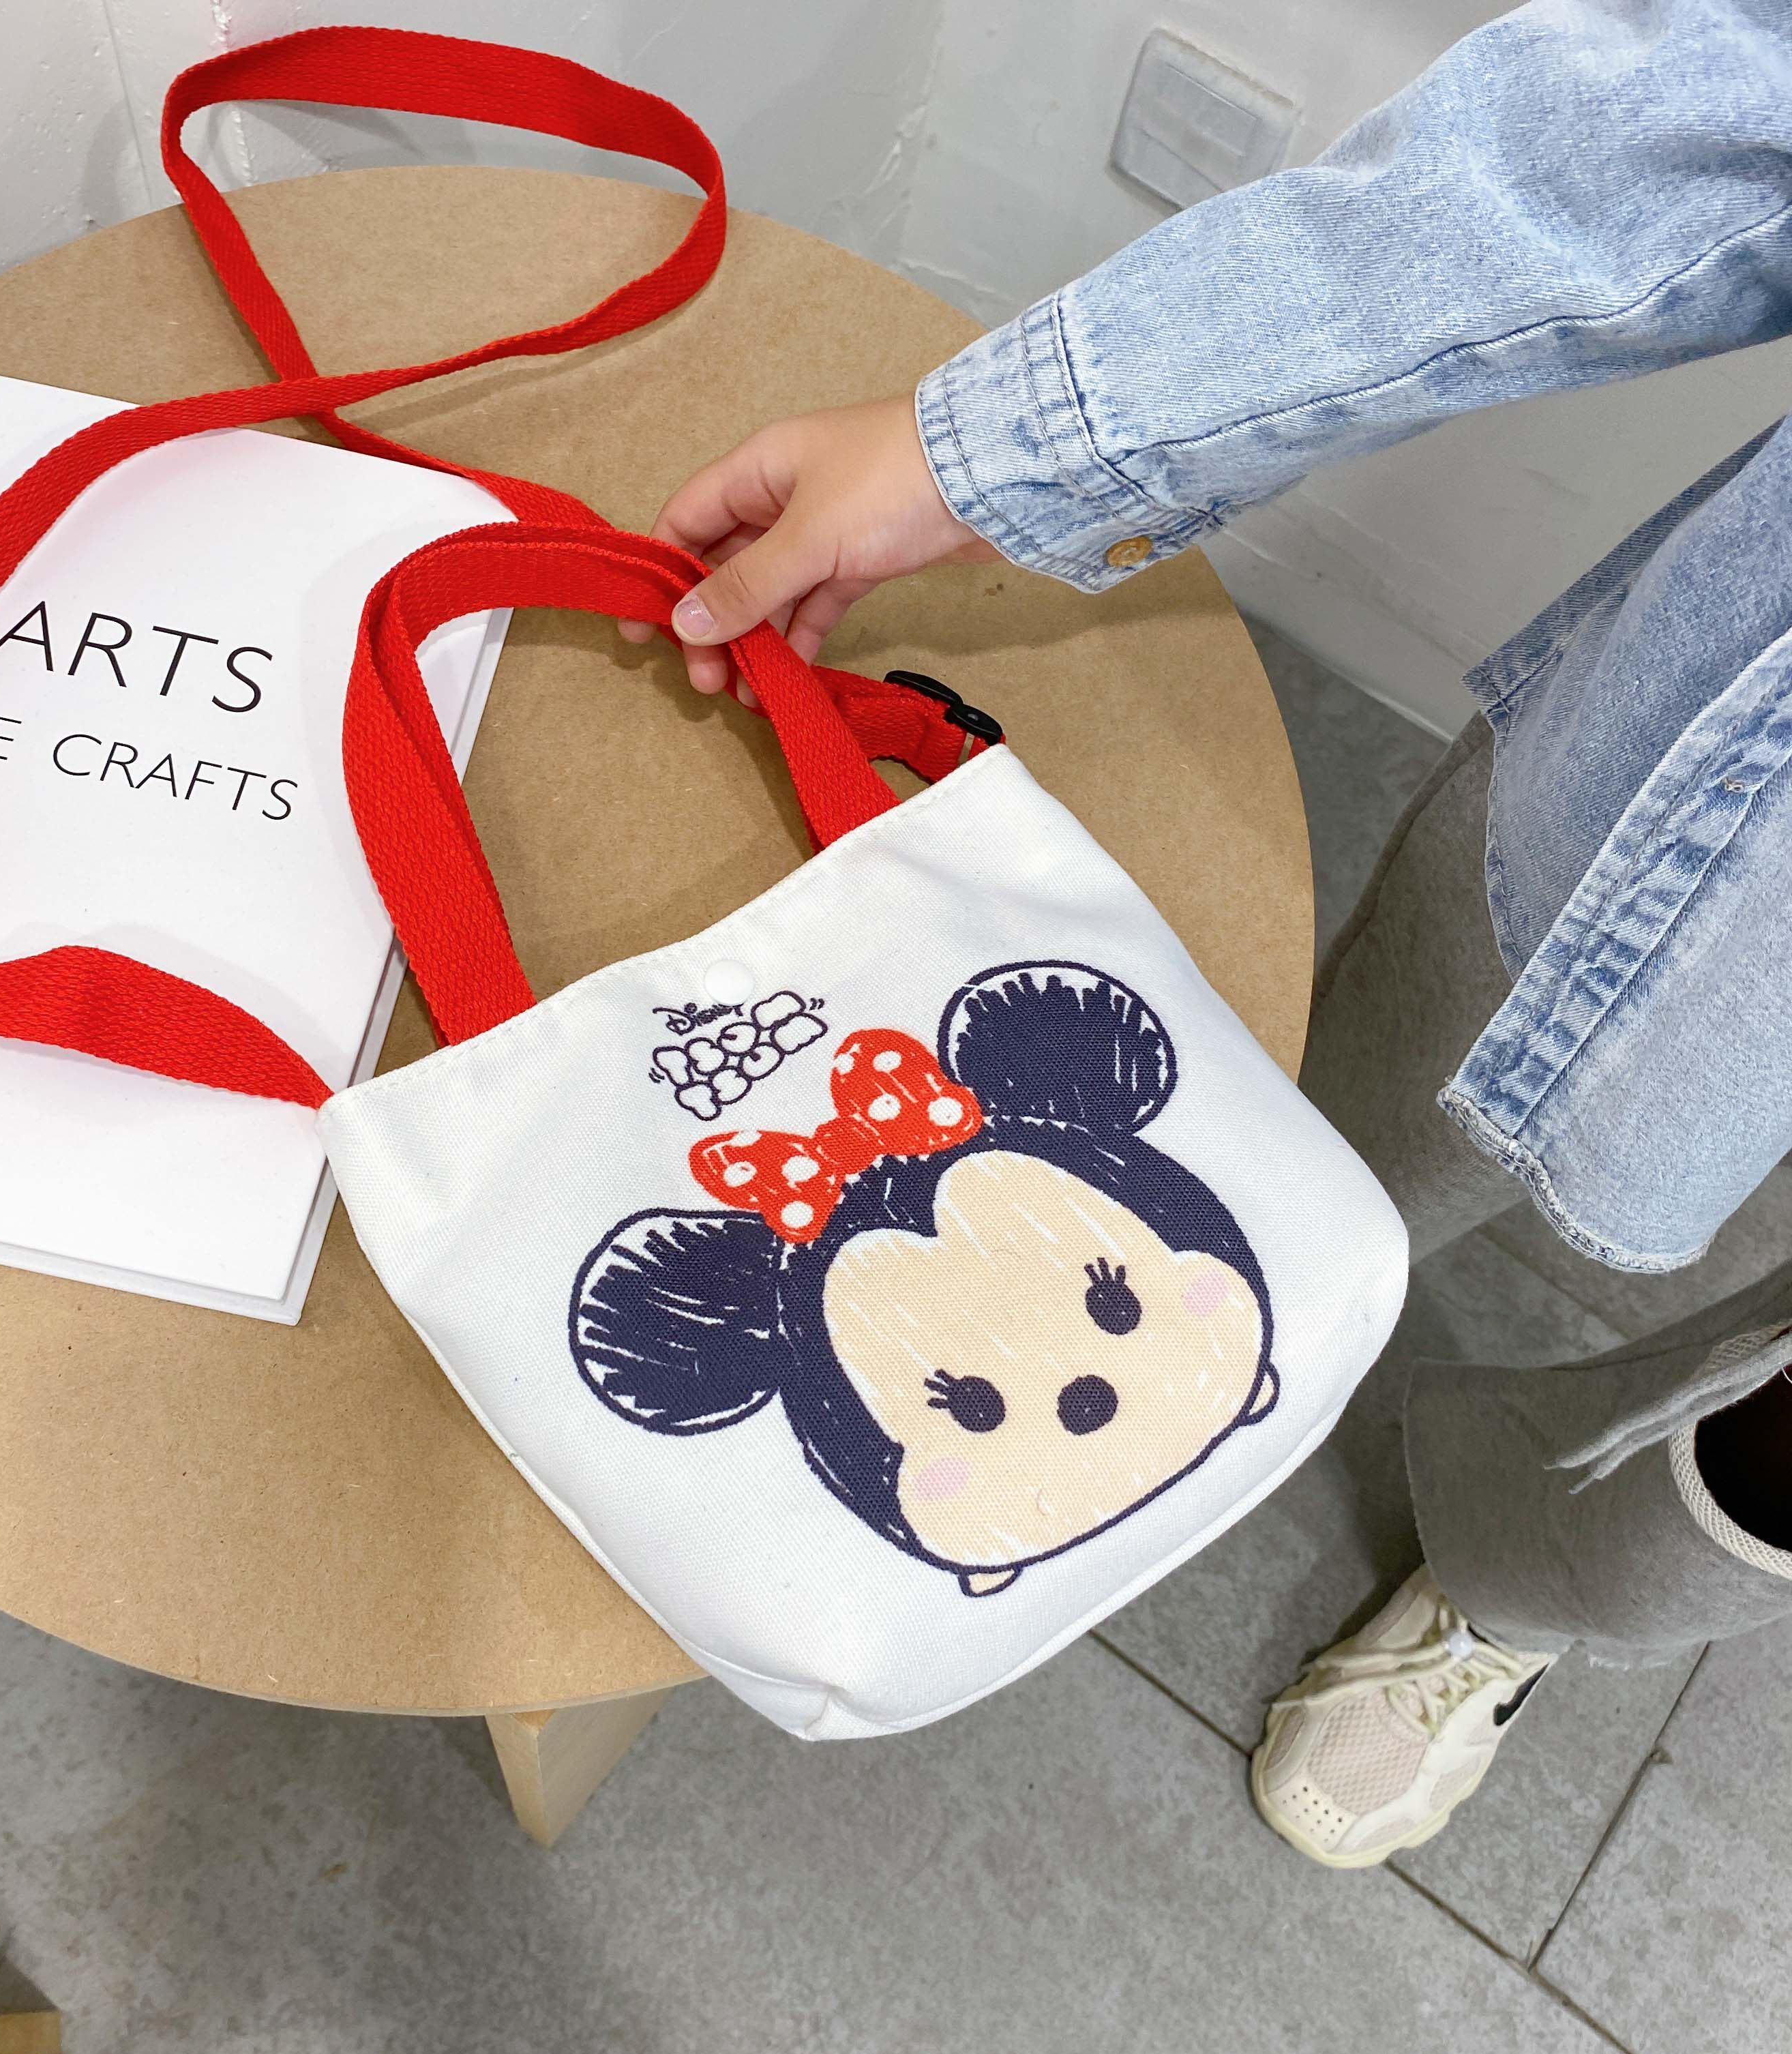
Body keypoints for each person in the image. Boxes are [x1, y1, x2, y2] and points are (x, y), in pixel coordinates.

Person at [617, 0, 1792, 1866]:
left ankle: (1519, 1586)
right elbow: (1694, 119)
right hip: (1704, 823)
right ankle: (1238, 1267)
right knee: (1380, 1108)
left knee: (1757, 1469)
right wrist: (1005, 441)